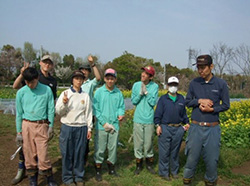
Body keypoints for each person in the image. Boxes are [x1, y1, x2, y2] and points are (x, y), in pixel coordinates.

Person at [183, 55, 230, 186]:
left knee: (212, 161)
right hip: (196, 127)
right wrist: (199, 101)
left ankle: (210, 180)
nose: (200, 71)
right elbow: (187, 102)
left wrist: (212, 109)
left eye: (203, 67)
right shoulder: (194, 83)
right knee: (191, 159)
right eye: (198, 68)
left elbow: (226, 105)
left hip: (213, 128)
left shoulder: (220, 84)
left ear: (211, 67)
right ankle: (187, 181)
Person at [12, 55, 57, 185]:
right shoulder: (22, 92)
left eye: (32, 82)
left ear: (37, 78)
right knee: (29, 155)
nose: (29, 85)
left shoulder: (46, 90)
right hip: (27, 125)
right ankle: (33, 180)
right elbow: (19, 113)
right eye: (27, 82)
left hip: (41, 125)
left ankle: (50, 179)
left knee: (43, 156)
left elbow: (50, 109)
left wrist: (51, 126)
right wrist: (19, 132)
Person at [55, 70, 92, 186]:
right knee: (67, 153)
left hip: (81, 127)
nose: (79, 81)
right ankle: (67, 178)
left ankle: (79, 176)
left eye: (81, 79)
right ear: (72, 80)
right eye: (76, 78)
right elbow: (59, 112)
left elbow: (89, 113)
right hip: (67, 127)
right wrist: (64, 103)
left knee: (79, 153)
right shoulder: (65, 93)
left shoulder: (85, 96)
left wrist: (89, 128)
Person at [154, 76, 190, 181]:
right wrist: (157, 125)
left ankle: (174, 171)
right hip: (165, 127)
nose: (173, 87)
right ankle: (164, 173)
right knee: (164, 152)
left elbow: (183, 114)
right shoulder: (163, 99)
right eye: (171, 85)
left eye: (174, 85)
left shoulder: (181, 99)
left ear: (177, 86)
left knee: (175, 152)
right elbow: (157, 114)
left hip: (178, 128)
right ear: (167, 86)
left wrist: (187, 123)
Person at [93, 68, 125, 182]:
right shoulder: (99, 92)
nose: (110, 81)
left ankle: (111, 168)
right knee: (100, 148)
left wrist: (121, 114)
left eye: (112, 79)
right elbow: (95, 108)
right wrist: (103, 122)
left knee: (113, 148)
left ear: (115, 79)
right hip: (102, 125)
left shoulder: (118, 93)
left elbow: (121, 106)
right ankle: (98, 169)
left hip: (114, 125)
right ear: (105, 79)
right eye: (108, 78)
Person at [131, 65, 159, 175]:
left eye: (146, 74)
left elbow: (152, 102)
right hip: (138, 118)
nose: (143, 74)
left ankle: (149, 164)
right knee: (138, 143)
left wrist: (146, 93)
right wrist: (140, 93)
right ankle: (138, 165)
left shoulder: (154, 86)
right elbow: (134, 101)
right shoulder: (136, 85)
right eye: (143, 72)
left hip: (149, 119)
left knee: (148, 143)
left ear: (150, 77)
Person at [79, 55, 101, 165]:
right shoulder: (75, 82)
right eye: (82, 70)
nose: (84, 72)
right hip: (76, 116)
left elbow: (98, 78)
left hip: (88, 115)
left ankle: (84, 160)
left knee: (86, 139)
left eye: (86, 70)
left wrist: (93, 64)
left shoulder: (90, 83)